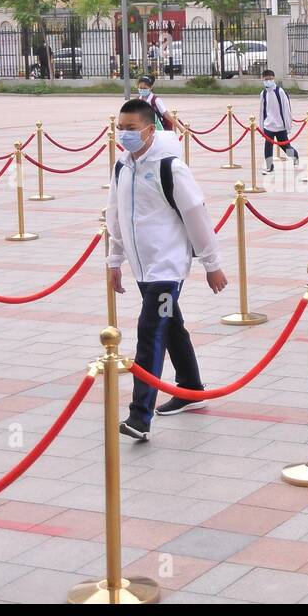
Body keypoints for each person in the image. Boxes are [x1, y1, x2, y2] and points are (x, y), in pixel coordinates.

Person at [106, 99, 227, 442]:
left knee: (150, 331)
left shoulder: (170, 167)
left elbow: (196, 214)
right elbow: (114, 215)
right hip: (142, 268)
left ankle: (139, 417)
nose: (124, 135)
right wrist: (114, 261)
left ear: (148, 129)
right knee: (170, 326)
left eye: (131, 129)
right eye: (121, 128)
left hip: (166, 268)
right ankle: (190, 387)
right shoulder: (122, 166)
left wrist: (211, 264)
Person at [259, 69, 300, 174]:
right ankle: (269, 166)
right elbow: (262, 111)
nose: (268, 81)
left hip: (280, 125)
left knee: (285, 146)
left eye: (270, 79)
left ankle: (295, 156)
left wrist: (288, 125)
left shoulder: (280, 91)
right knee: (268, 146)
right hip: (268, 125)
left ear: (274, 79)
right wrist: (262, 127)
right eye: (266, 79)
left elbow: (286, 109)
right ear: (262, 79)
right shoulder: (263, 94)